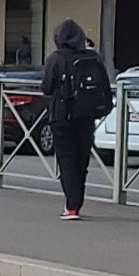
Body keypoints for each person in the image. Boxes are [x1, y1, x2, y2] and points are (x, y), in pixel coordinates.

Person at [39, 20, 113, 221]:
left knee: (67, 160)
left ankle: (71, 206)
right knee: (82, 161)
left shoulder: (55, 58)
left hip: (62, 116)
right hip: (87, 116)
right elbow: (105, 86)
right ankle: (76, 203)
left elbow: (46, 88)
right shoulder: (93, 58)